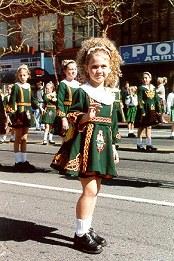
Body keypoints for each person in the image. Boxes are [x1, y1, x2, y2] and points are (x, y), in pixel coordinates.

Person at [51, 37, 122, 254]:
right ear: (86, 68)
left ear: (111, 68)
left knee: (96, 188)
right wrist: (85, 116)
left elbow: (112, 125)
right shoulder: (83, 91)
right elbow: (72, 116)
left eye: (103, 66)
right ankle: (80, 235)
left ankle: (87, 228)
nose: (99, 70)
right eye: (94, 66)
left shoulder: (110, 96)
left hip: (102, 148)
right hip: (85, 147)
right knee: (89, 189)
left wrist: (114, 147)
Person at [9, 64, 43, 171]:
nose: (22, 77)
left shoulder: (28, 86)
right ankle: (17, 161)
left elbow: (32, 99)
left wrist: (39, 107)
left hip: (27, 113)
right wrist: (11, 114)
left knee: (24, 138)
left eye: (24, 75)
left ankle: (24, 160)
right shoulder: (16, 86)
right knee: (18, 137)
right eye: (20, 75)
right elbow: (12, 101)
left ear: (28, 75)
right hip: (19, 113)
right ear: (18, 76)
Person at [52, 59, 80, 138]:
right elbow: (60, 102)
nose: (73, 71)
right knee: (66, 140)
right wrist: (63, 119)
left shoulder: (78, 85)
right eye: (71, 69)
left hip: (77, 114)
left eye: (75, 69)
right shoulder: (63, 84)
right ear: (65, 71)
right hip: (67, 113)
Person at [136, 72, 162, 151]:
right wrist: (142, 110)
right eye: (143, 78)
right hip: (144, 109)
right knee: (141, 127)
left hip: (152, 109)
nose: (144, 79)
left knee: (149, 126)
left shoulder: (153, 88)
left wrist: (159, 110)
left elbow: (156, 99)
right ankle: (139, 144)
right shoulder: (141, 88)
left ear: (150, 79)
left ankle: (148, 144)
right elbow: (140, 100)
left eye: (146, 78)